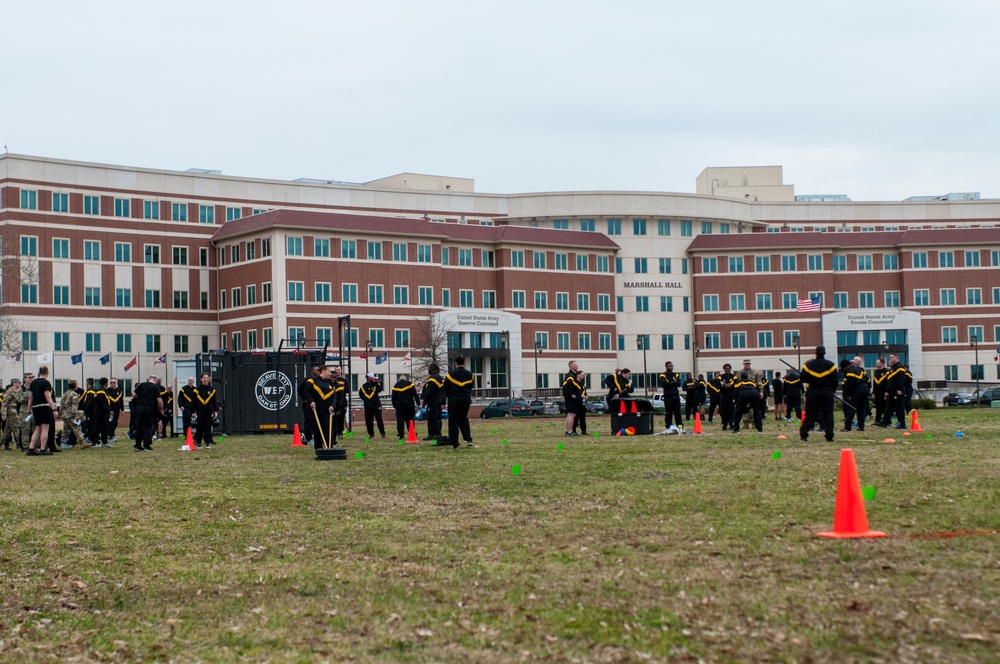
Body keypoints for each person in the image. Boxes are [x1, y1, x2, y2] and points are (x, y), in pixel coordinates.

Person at [799, 346, 837, 443]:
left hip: (813, 391)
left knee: (810, 414)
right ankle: (829, 436)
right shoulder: (831, 365)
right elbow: (835, 381)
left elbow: (802, 378)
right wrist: (831, 391)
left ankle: (804, 435)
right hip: (827, 392)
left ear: (815, 353)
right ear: (824, 353)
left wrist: (812, 379)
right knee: (828, 414)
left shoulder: (808, 365)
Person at [25, 366, 58, 456]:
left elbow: (30, 397)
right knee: (45, 429)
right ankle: (42, 449)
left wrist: (29, 408)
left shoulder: (33, 383)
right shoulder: (46, 383)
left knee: (37, 429)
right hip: (44, 407)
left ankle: (31, 448)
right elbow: (48, 396)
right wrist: (53, 409)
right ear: (47, 373)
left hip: (35, 407)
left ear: (39, 372)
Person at [444, 355, 474, 448]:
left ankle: (455, 443)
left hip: (454, 399)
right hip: (465, 398)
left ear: (456, 364)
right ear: (463, 363)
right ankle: (468, 439)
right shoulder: (470, 375)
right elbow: (471, 387)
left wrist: (448, 397)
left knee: (453, 421)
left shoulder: (450, 374)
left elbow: (445, 388)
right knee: (464, 419)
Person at [305, 366, 337, 448]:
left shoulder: (330, 384)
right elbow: (307, 392)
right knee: (318, 430)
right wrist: (311, 401)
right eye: (329, 371)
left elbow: (334, 396)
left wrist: (332, 405)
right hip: (316, 409)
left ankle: (329, 447)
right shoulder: (312, 381)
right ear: (324, 371)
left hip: (327, 410)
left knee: (328, 429)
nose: (330, 373)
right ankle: (318, 449)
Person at [132, 375, 163, 451]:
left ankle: (138, 445)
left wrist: (140, 398)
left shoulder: (141, 385)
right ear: (155, 380)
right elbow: (159, 400)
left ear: (149, 379)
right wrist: (161, 409)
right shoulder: (156, 387)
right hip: (149, 409)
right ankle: (146, 445)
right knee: (148, 427)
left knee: (139, 426)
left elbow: (133, 394)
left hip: (139, 408)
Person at [876, 354, 907, 429]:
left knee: (899, 408)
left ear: (896, 358)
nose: (890, 359)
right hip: (891, 391)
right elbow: (890, 380)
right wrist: (888, 390)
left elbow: (901, 379)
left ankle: (902, 424)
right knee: (888, 408)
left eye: (891, 357)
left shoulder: (899, 367)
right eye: (889, 357)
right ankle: (884, 422)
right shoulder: (893, 367)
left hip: (897, 391)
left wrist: (899, 389)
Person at [59, 380, 90, 449]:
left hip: (64, 414)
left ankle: (63, 444)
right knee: (76, 428)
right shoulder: (74, 394)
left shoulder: (65, 393)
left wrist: (60, 413)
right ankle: (82, 443)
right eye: (76, 384)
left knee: (66, 430)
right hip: (70, 414)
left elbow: (61, 404)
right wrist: (76, 415)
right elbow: (74, 405)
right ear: (74, 385)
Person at [193, 373, 221, 448]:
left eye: (207, 378)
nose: (205, 379)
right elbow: (193, 402)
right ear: (201, 379)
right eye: (204, 378)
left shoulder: (212, 390)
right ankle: (198, 443)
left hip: (209, 411)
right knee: (200, 427)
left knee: (208, 427)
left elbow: (214, 401)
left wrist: (215, 410)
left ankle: (207, 443)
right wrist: (193, 412)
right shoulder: (196, 390)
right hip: (200, 411)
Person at [842, 356, 869, 432]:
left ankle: (848, 427)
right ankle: (861, 426)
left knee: (851, 408)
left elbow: (850, 384)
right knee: (861, 409)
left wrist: (847, 394)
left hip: (857, 391)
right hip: (865, 389)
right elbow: (867, 379)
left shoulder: (850, 371)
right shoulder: (861, 369)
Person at [391, 373, 420, 440]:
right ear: (405, 378)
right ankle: (412, 432)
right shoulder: (410, 384)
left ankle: (401, 435)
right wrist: (418, 403)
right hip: (409, 405)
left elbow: (393, 398)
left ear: (400, 379)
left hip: (400, 406)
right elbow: (415, 394)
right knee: (410, 420)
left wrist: (395, 406)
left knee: (400, 420)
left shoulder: (396, 386)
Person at [359, 372, 386, 439]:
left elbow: (379, 390)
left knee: (379, 419)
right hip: (368, 406)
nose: (372, 378)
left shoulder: (375, 384)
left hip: (376, 405)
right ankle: (371, 434)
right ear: (368, 377)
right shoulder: (364, 386)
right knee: (369, 420)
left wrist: (377, 382)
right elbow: (361, 395)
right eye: (371, 377)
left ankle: (382, 433)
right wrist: (366, 400)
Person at [421, 364, 444, 442]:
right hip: (439, 401)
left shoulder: (432, 379)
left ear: (431, 369)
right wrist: (443, 402)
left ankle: (433, 435)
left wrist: (424, 402)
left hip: (433, 401)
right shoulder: (441, 379)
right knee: (438, 418)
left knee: (432, 418)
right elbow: (444, 392)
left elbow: (428, 392)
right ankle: (438, 433)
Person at [298, 366, 320, 445]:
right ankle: (308, 438)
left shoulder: (319, 380)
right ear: (312, 371)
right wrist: (304, 399)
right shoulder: (309, 380)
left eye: (318, 370)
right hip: (308, 404)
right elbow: (300, 388)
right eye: (315, 370)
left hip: (317, 404)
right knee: (308, 421)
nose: (317, 372)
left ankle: (313, 436)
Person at [657, 361, 683, 429]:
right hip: (668, 396)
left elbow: (678, 384)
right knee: (668, 412)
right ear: (666, 367)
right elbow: (664, 384)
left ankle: (680, 425)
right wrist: (673, 383)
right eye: (669, 366)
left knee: (677, 411)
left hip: (675, 395)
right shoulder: (663, 375)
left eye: (672, 366)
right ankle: (668, 426)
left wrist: (671, 383)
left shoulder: (676, 375)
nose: (671, 367)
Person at [1, 378, 24, 451]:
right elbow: (4, 403)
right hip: (11, 412)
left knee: (7, 431)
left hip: (15, 410)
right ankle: (21, 444)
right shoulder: (10, 391)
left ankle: (1, 442)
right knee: (17, 428)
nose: (20, 384)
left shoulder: (17, 391)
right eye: (18, 383)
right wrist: (3, 414)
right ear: (14, 383)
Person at [562, 370, 584, 435]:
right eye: (582, 375)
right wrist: (571, 394)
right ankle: (569, 431)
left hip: (571, 399)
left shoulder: (576, 380)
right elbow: (567, 387)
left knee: (570, 414)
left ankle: (568, 430)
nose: (583, 377)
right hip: (572, 400)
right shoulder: (570, 378)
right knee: (571, 415)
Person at [330, 366, 348, 441]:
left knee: (340, 420)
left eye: (339, 370)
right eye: (332, 377)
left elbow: (342, 396)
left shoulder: (340, 385)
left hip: (339, 406)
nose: (333, 379)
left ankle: (340, 434)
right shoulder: (328, 385)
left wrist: (340, 409)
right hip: (331, 406)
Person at [718, 364, 736, 430]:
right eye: (726, 368)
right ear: (724, 369)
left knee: (731, 410)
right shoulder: (721, 377)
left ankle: (731, 424)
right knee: (723, 410)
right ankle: (724, 424)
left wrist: (729, 386)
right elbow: (718, 385)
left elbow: (735, 385)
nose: (727, 370)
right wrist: (724, 386)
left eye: (728, 368)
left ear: (730, 369)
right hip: (723, 396)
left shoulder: (734, 376)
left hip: (731, 396)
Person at [871, 358, 888, 425]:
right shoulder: (876, 372)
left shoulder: (886, 372)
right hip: (877, 392)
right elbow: (874, 383)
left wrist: (887, 391)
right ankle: (877, 420)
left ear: (882, 363)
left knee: (885, 407)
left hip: (884, 392)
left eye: (877, 363)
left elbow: (888, 382)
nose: (876, 364)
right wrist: (873, 392)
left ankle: (886, 420)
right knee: (878, 407)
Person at [106, 377, 123, 443]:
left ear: (116, 383)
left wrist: (122, 409)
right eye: (111, 382)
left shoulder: (119, 390)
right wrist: (109, 410)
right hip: (110, 410)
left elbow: (121, 400)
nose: (112, 384)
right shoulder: (107, 391)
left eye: (114, 382)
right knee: (111, 422)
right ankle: (112, 435)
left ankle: (109, 434)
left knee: (115, 422)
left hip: (117, 410)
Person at [573, 370, 589, 436]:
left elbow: (584, 392)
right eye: (581, 375)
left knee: (583, 417)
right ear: (577, 375)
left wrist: (586, 395)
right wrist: (579, 396)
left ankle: (584, 431)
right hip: (576, 403)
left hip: (583, 403)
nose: (583, 377)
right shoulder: (574, 383)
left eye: (583, 375)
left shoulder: (583, 384)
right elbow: (574, 393)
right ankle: (574, 430)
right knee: (576, 417)